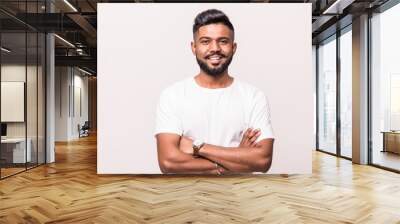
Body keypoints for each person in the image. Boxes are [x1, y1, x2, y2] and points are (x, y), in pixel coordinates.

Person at [154, 9, 274, 174]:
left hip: (239, 195)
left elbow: (263, 160)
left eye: (223, 41)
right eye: (205, 41)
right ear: (194, 47)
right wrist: (236, 158)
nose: (215, 48)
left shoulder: (253, 96)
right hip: (186, 196)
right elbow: (168, 161)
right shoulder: (172, 95)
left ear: (234, 47)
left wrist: (198, 147)